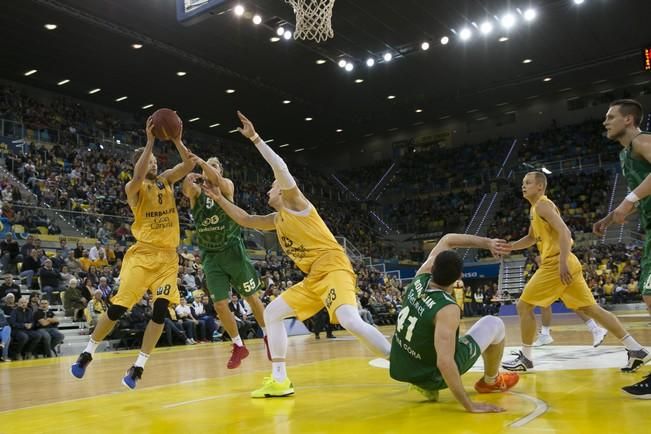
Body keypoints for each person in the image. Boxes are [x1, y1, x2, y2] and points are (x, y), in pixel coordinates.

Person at [201, 112, 391, 398]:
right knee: (273, 312)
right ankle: (279, 379)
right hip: (314, 276)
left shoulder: (296, 203)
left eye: (273, 185)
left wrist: (255, 138)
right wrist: (218, 199)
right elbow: (245, 219)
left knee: (350, 320)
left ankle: (402, 361)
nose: (269, 188)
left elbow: (280, 167)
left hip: (334, 266)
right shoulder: (275, 219)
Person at [70, 117, 194, 389]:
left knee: (160, 310)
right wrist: (149, 141)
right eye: (149, 161)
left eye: (155, 161)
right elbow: (137, 176)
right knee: (118, 307)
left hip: (167, 259)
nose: (154, 163)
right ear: (140, 162)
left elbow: (189, 164)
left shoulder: (166, 181)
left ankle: (138, 366)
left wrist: (175, 139)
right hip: (143, 255)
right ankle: (88, 352)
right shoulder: (133, 189)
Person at [502, 172, 649, 374]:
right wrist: (509, 247)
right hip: (567, 263)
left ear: (540, 187)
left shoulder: (543, 205)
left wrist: (562, 261)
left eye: (527, 182)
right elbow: (530, 238)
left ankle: (526, 358)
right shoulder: (535, 209)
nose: (523, 186)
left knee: (523, 306)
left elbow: (565, 232)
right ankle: (635, 349)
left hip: (556, 263)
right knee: (593, 309)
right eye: (522, 182)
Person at [389, 234, 517, 413]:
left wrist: (488, 243)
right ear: (459, 277)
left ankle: (423, 383)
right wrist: (469, 405)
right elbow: (445, 362)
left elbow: (448, 239)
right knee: (494, 324)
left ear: (432, 268)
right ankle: (492, 381)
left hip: (403, 366)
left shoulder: (419, 278)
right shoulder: (447, 309)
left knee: (435, 337)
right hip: (430, 375)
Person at [182, 154, 268, 368]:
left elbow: (219, 182)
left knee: (251, 297)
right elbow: (186, 190)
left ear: (219, 170)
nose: (209, 169)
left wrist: (202, 163)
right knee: (220, 304)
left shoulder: (226, 185)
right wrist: (189, 176)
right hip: (210, 256)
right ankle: (239, 345)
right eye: (207, 166)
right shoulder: (197, 192)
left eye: (214, 166)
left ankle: (268, 336)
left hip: (233, 252)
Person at [595, 99, 651, 398]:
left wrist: (628, 200)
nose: (605, 122)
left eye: (611, 117)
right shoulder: (625, 154)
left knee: (650, 293)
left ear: (628, 120)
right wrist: (614, 213)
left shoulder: (643, 141)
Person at [533, 304, 608, 348]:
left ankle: (596, 329)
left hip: (563, 278)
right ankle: (545, 334)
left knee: (576, 304)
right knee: (545, 303)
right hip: (554, 278)